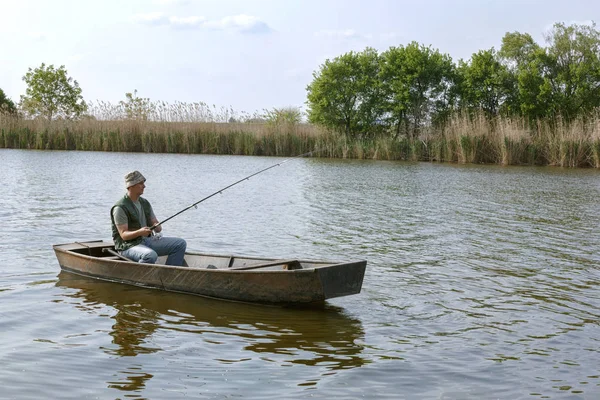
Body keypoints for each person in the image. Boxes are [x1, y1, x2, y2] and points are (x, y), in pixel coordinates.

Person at [110, 170, 187, 266]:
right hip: (127, 246)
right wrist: (140, 232)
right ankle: (140, 276)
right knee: (150, 255)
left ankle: (169, 275)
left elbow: (156, 224)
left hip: (147, 241)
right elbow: (124, 235)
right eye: (141, 183)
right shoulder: (120, 207)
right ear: (131, 186)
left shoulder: (145, 203)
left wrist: (157, 226)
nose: (144, 186)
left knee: (180, 244)